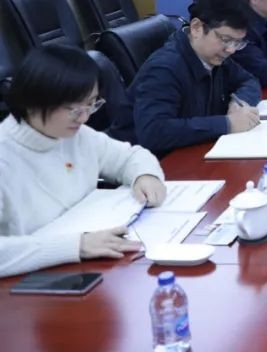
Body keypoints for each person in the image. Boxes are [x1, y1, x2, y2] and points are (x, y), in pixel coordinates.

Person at [0, 46, 166, 278]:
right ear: (32, 101)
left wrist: (145, 175)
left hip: (90, 268)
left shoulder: (75, 135)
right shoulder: (5, 155)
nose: (85, 117)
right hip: (29, 284)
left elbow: (130, 156)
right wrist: (76, 246)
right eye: (74, 109)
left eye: (91, 104)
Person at [121, 0, 262, 156]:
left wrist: (238, 103)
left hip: (192, 152)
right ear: (196, 28)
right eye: (225, 40)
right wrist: (227, 124)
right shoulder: (164, 69)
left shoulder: (215, 56)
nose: (231, 50)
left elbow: (249, 81)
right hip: (148, 163)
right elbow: (154, 132)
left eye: (237, 42)